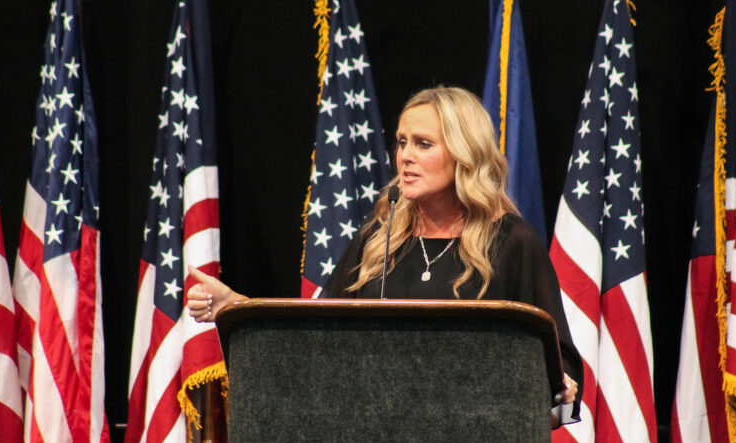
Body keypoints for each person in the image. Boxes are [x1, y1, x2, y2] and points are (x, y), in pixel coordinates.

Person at [187, 85, 582, 420]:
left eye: (423, 144)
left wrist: (557, 389)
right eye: (402, 142)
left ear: (464, 154)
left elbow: (558, 361)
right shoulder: (380, 239)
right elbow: (312, 335)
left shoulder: (511, 242)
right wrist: (237, 306)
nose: (405, 156)